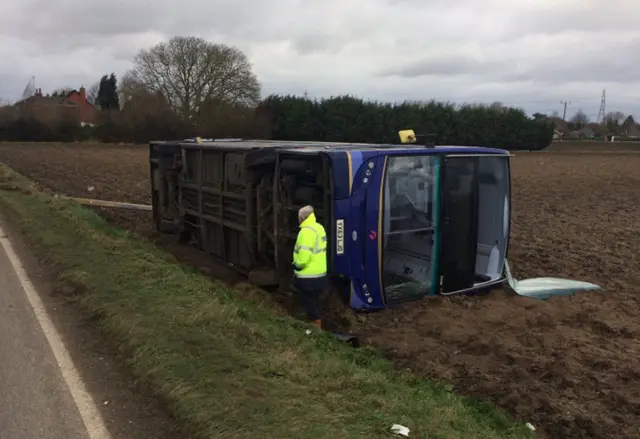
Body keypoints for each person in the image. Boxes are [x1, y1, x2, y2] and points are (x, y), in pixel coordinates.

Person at [292, 205, 328, 329]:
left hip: (308, 277)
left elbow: (303, 258)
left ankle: (316, 330)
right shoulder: (319, 228)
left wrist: (296, 266)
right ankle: (319, 325)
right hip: (320, 275)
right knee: (316, 301)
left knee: (310, 303)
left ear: (302, 218)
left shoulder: (306, 232)